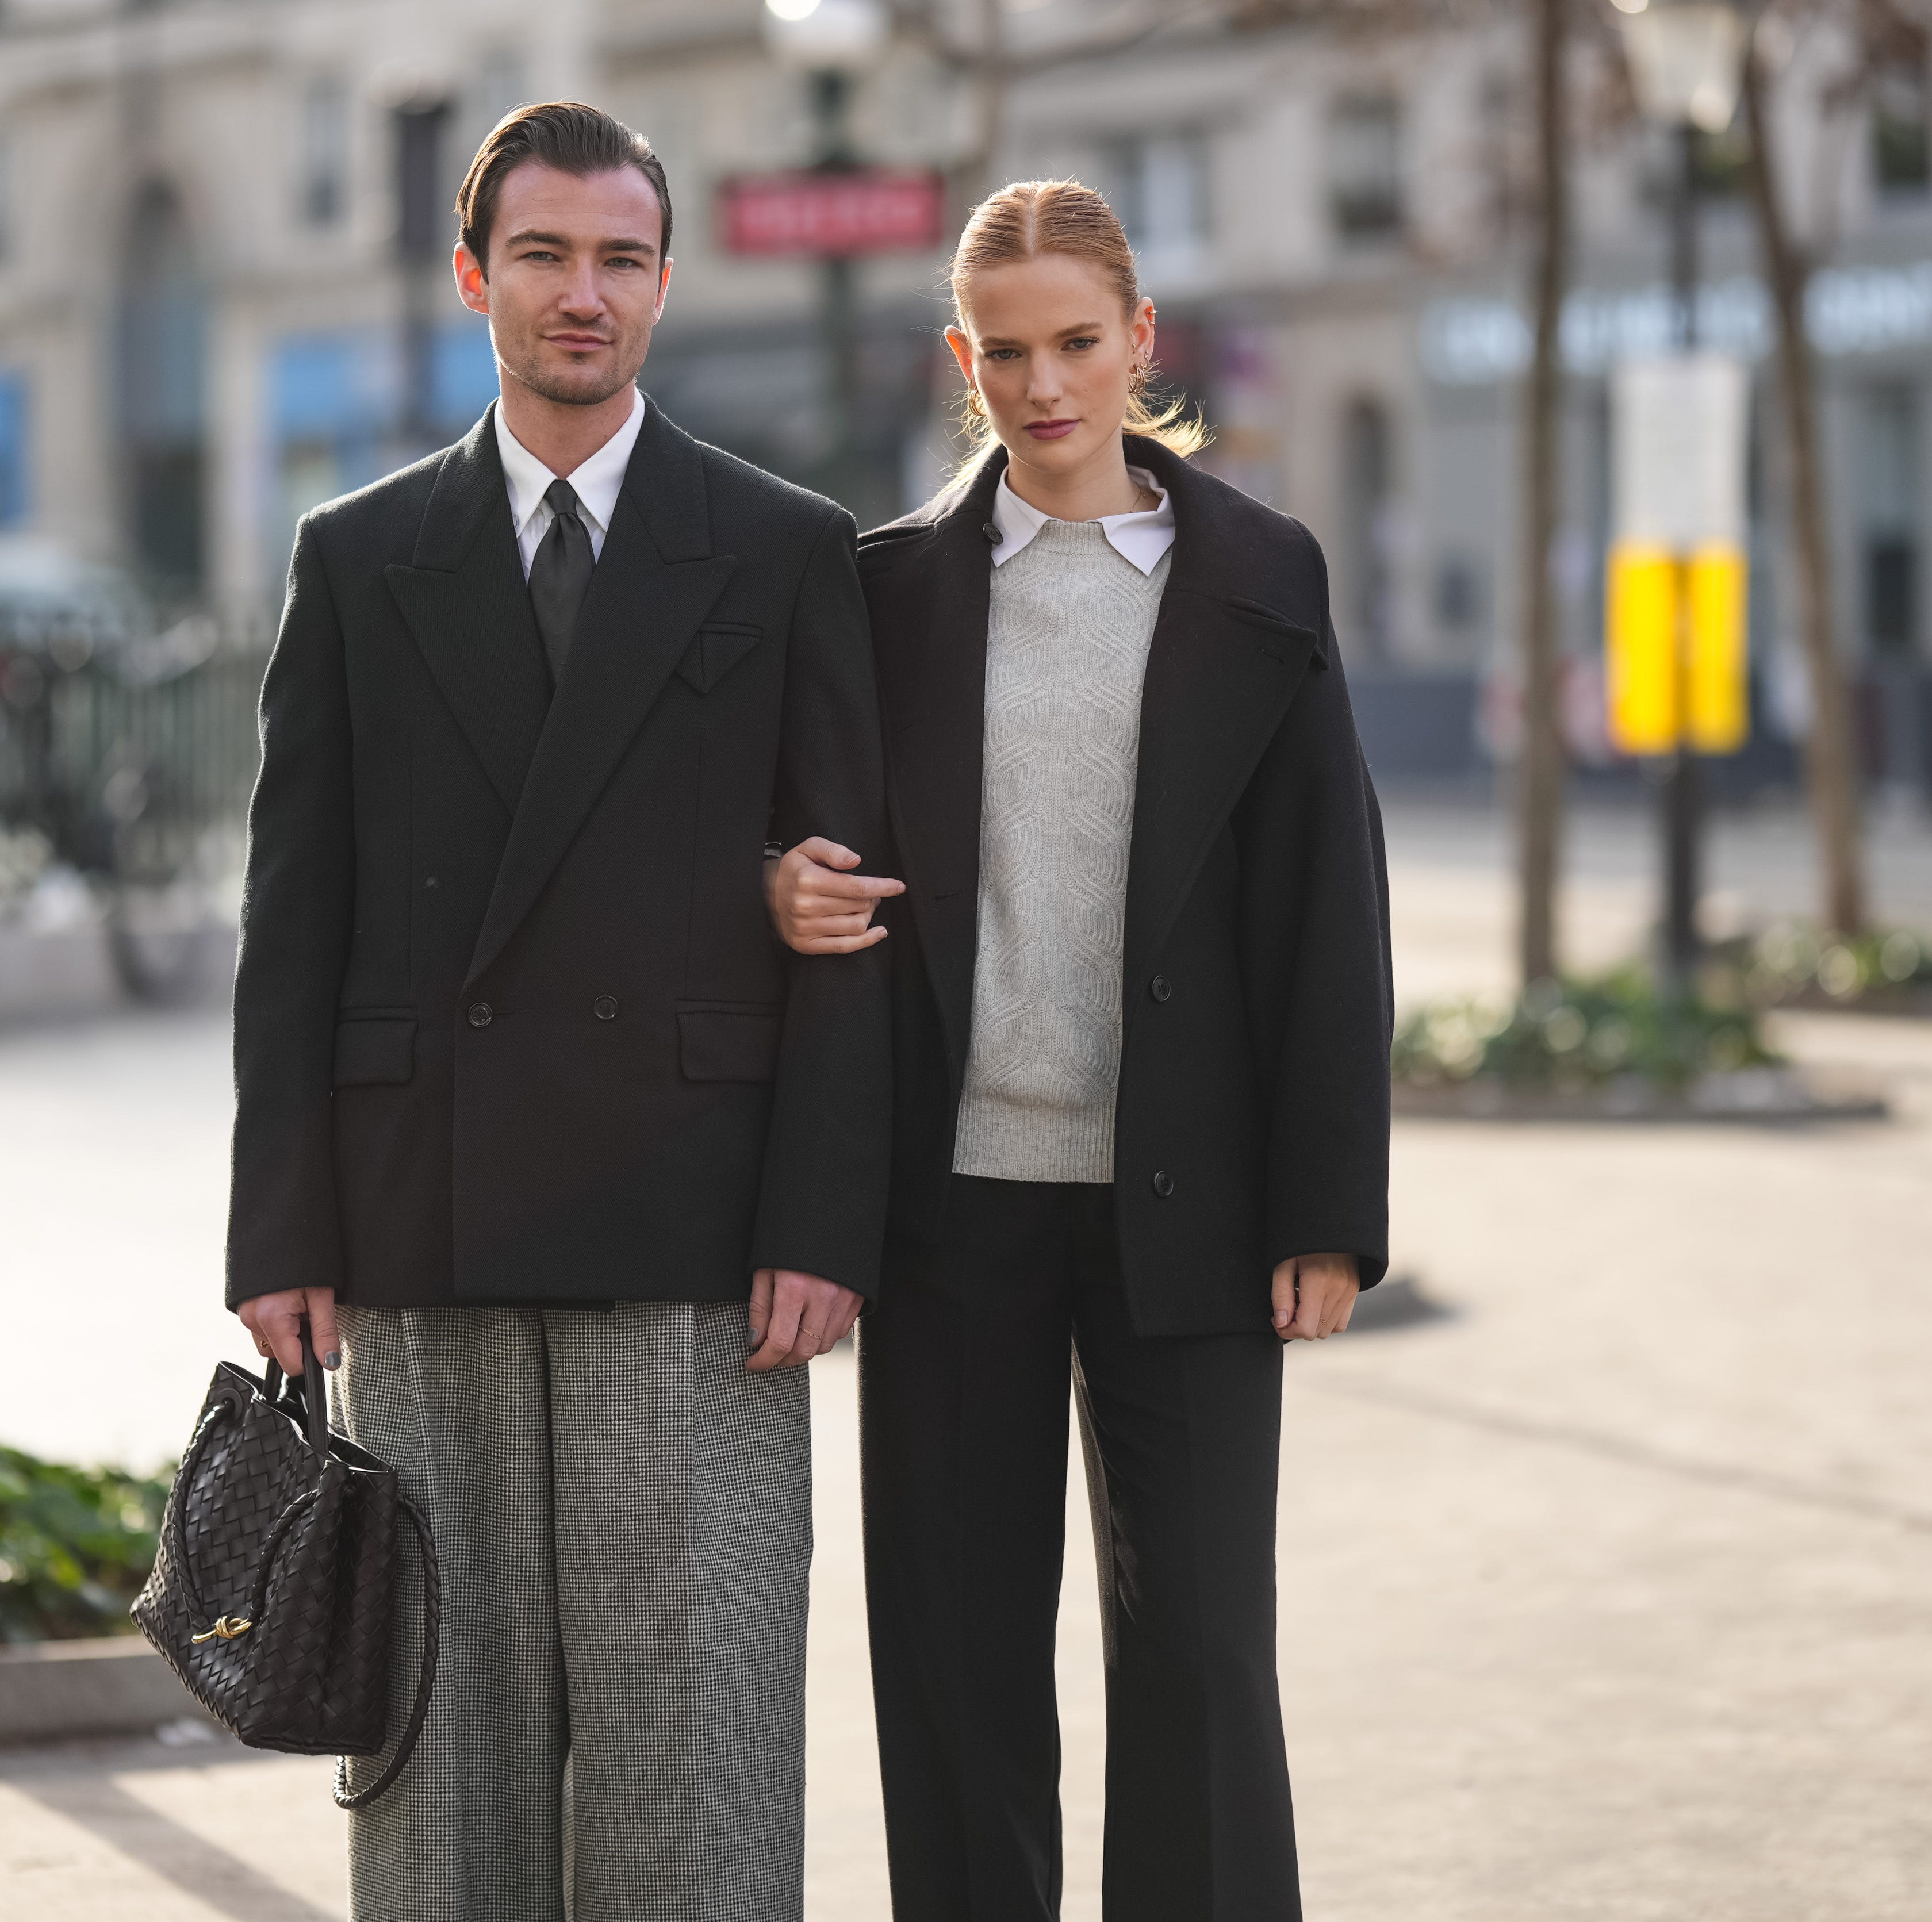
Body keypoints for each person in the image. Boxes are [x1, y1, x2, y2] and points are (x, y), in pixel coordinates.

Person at [226, 102, 891, 1922]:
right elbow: (295, 920)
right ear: (476, 279)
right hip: (421, 1212)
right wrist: (278, 1228)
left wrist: (826, 1221)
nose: (579, 293)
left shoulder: (778, 546)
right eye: (543, 254)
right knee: (446, 1737)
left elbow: (855, 911)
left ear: (666, 289)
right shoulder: (360, 559)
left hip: (702, 1225)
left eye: (616, 259)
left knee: (701, 1733)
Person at [766, 179, 1392, 1921]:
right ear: (965, 364)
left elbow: (1329, 909)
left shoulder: (1264, 577)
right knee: (958, 1669)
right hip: (953, 1209)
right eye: (1007, 353)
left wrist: (1327, 1209)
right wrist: (777, 882)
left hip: (1188, 1207)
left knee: (1198, 1646)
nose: (1045, 386)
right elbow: (803, 856)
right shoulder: (883, 591)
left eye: (1077, 344)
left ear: (1140, 343)